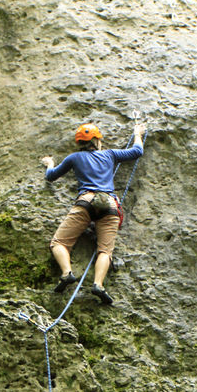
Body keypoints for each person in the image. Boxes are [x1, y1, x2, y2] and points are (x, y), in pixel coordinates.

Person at [41, 120, 146, 306]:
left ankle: (67, 273)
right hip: (110, 205)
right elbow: (137, 152)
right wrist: (138, 133)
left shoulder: (74, 158)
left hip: (86, 202)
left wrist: (50, 163)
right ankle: (98, 284)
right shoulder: (110, 154)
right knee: (105, 250)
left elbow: (51, 176)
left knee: (58, 242)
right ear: (96, 141)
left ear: (80, 143)